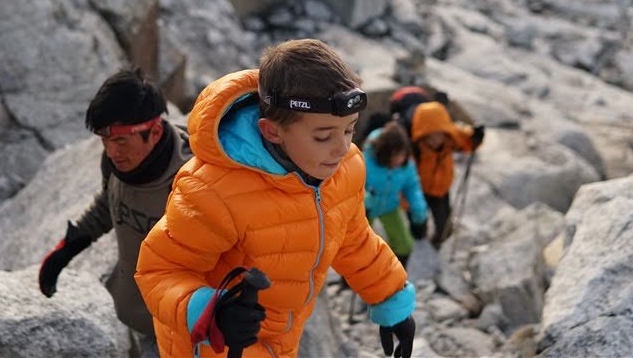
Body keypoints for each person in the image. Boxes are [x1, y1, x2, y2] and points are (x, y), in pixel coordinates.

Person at [135, 39, 416, 358]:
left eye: (349, 130)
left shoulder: (344, 168)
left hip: (282, 338)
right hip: (215, 343)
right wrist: (212, 311)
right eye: (323, 136)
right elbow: (159, 271)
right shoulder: (214, 190)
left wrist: (392, 301)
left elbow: (353, 239)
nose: (341, 147)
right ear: (271, 132)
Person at [37, 68, 192, 358]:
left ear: (155, 131)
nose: (111, 151)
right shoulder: (116, 163)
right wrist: (66, 250)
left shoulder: (192, 182)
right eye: (104, 140)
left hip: (181, 334)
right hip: (128, 313)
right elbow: (109, 205)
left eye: (120, 140)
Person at [408, 101, 484, 248]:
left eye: (441, 134)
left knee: (444, 224)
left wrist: (476, 136)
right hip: (418, 191)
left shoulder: (450, 138)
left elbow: (466, 138)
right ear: (423, 134)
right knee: (418, 223)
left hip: (441, 190)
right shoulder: (414, 148)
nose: (437, 138)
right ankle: (420, 238)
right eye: (432, 135)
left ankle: (438, 241)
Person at [363, 121, 429, 269]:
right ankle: (348, 280)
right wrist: (364, 200)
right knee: (358, 248)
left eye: (402, 155)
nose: (399, 160)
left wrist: (418, 209)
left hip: (390, 206)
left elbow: (412, 186)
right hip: (365, 210)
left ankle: (397, 276)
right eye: (395, 155)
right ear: (384, 152)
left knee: (405, 244)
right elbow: (351, 187)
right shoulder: (364, 160)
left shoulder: (406, 164)